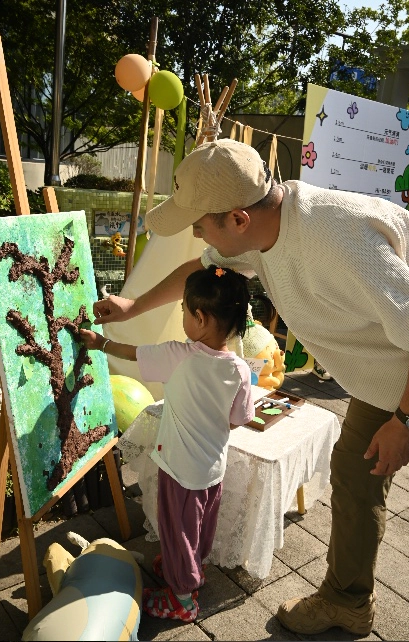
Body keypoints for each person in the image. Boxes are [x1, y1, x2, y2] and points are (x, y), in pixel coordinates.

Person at [92, 138, 409, 637]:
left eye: (199, 224)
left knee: (359, 471)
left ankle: (346, 600)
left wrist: (403, 420)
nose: (195, 233)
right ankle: (348, 601)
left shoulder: (340, 241)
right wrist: (132, 307)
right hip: (383, 373)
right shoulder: (263, 230)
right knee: (354, 472)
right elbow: (200, 270)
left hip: (402, 375)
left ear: (238, 219)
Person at [81, 264, 254, 623]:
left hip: (180, 469)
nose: (182, 317)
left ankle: (182, 598)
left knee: (177, 530)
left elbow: (134, 353)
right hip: (213, 468)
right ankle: (190, 569)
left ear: (201, 319)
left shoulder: (180, 355)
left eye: (184, 311)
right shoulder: (239, 368)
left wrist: (101, 344)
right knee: (199, 526)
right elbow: (239, 419)